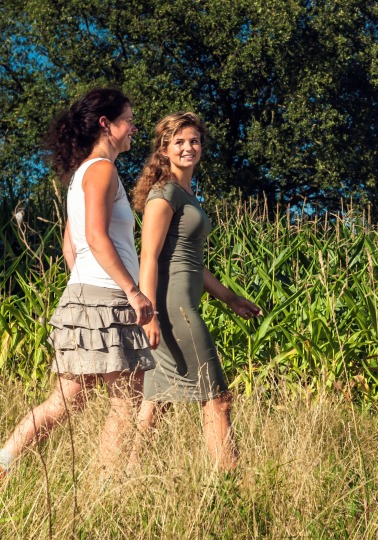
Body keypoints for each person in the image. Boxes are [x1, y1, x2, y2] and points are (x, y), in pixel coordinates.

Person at [0, 88, 155, 480]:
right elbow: (97, 237)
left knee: (65, 401)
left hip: (85, 294)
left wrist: (85, 286)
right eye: (129, 120)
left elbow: (72, 244)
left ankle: (3, 462)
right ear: (107, 124)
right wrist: (132, 290)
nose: (134, 128)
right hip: (110, 298)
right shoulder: (102, 170)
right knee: (125, 401)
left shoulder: (80, 175)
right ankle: (107, 486)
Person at [132, 112, 261, 471]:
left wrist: (229, 298)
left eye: (194, 141)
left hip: (182, 303)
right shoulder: (164, 194)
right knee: (217, 398)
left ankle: (122, 480)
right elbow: (149, 257)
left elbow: (191, 261)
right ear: (165, 148)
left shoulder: (187, 193)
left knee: (155, 402)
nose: (189, 148)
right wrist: (150, 314)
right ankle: (231, 483)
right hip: (172, 309)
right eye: (180, 142)